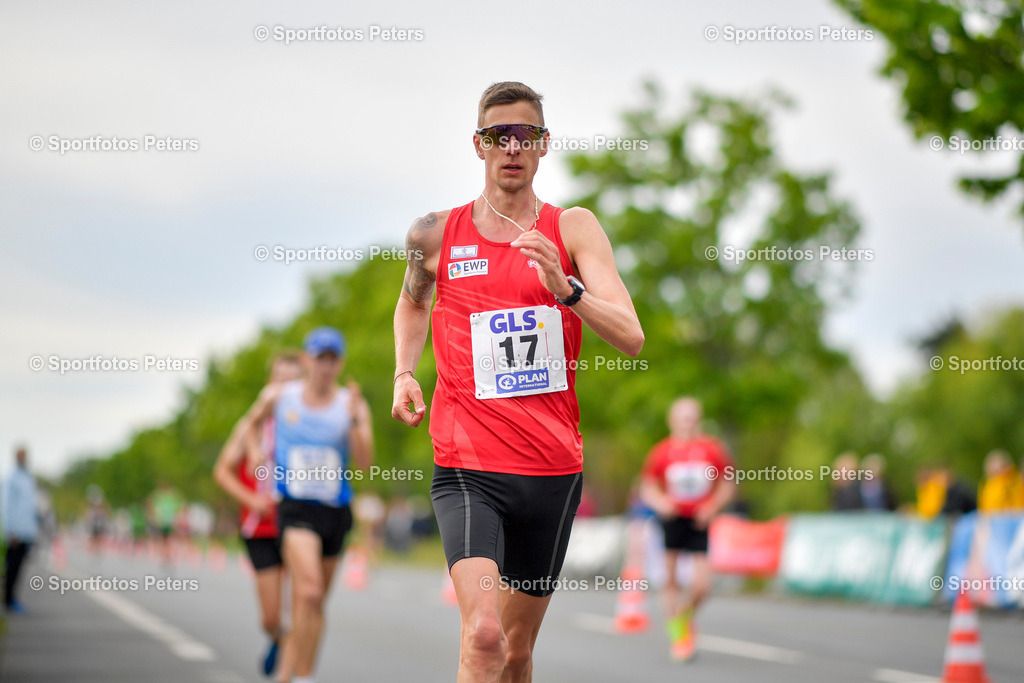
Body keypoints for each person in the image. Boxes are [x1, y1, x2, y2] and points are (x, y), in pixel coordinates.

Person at [392, 81, 643, 682]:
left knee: (515, 650)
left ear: (544, 145)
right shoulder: (435, 234)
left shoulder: (573, 228)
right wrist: (404, 370)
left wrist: (568, 290)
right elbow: (412, 303)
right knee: (481, 636)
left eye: (524, 135)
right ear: (478, 146)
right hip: (468, 467)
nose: (512, 148)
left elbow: (631, 335)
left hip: (551, 471)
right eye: (498, 136)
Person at [241, 327, 373, 683]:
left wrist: (358, 418)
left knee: (313, 603)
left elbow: (365, 461)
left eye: (332, 359)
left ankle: (298, 673)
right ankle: (299, 675)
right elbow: (250, 425)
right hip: (295, 507)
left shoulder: (350, 403)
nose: (325, 367)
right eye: (319, 358)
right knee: (310, 590)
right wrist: (255, 451)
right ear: (306, 360)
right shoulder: (281, 396)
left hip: (334, 510)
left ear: (340, 363)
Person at [214, 350, 302, 680]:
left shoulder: (308, 422)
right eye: (281, 381)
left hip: (297, 522)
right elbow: (221, 471)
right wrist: (251, 499)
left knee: (301, 606)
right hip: (260, 527)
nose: (287, 389)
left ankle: (288, 674)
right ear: (270, 384)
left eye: (295, 382)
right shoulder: (251, 426)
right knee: (270, 617)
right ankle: (277, 640)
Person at [639, 398, 735, 661]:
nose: (687, 423)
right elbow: (647, 487)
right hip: (672, 519)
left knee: (702, 585)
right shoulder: (662, 452)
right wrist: (661, 502)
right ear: (672, 421)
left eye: (692, 418)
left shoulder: (712, 449)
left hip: (699, 520)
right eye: (683, 418)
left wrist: (713, 505)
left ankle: (683, 614)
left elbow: (728, 483)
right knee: (670, 580)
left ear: (699, 420)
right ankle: (679, 637)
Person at [3, 445, 39, 614]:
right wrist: (10, 530)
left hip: (26, 532)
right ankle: (8, 600)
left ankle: (12, 598)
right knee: (12, 567)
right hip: (15, 533)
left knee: (19, 568)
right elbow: (6, 506)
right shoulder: (11, 479)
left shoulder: (28, 478)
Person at [149, 480, 184, 565]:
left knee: (168, 539)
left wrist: (178, 517)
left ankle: (167, 555)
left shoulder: (172, 497)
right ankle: (164, 556)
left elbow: (179, 506)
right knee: (163, 539)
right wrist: (153, 516)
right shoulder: (158, 496)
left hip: (169, 521)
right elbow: (152, 505)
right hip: (162, 521)